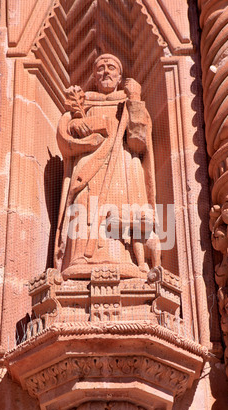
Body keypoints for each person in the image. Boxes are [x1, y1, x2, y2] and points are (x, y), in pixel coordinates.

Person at [55, 53, 159, 279]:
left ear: (120, 76)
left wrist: (135, 101)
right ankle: (79, 258)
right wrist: (77, 125)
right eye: (100, 68)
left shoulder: (128, 102)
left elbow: (138, 142)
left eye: (111, 67)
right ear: (93, 76)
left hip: (121, 167)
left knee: (118, 212)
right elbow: (66, 135)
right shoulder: (85, 103)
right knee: (83, 205)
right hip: (88, 165)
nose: (106, 72)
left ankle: (126, 261)